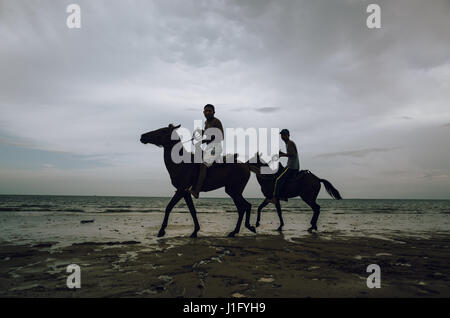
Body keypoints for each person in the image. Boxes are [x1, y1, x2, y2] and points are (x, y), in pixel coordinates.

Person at [188, 104, 224, 199]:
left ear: (213, 112)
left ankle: (196, 191)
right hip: (209, 147)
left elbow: (220, 136)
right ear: (203, 112)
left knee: (203, 166)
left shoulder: (216, 121)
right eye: (206, 111)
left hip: (216, 147)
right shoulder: (206, 122)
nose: (207, 112)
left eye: (209, 111)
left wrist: (204, 140)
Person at [268, 129, 300, 204]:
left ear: (288, 135)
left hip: (291, 167)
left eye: (284, 135)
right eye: (282, 135)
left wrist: (281, 155)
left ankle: (275, 198)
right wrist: (282, 153)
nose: (283, 136)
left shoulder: (290, 143)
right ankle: (284, 195)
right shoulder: (288, 143)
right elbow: (290, 153)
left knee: (278, 180)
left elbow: (292, 154)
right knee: (282, 178)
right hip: (292, 166)